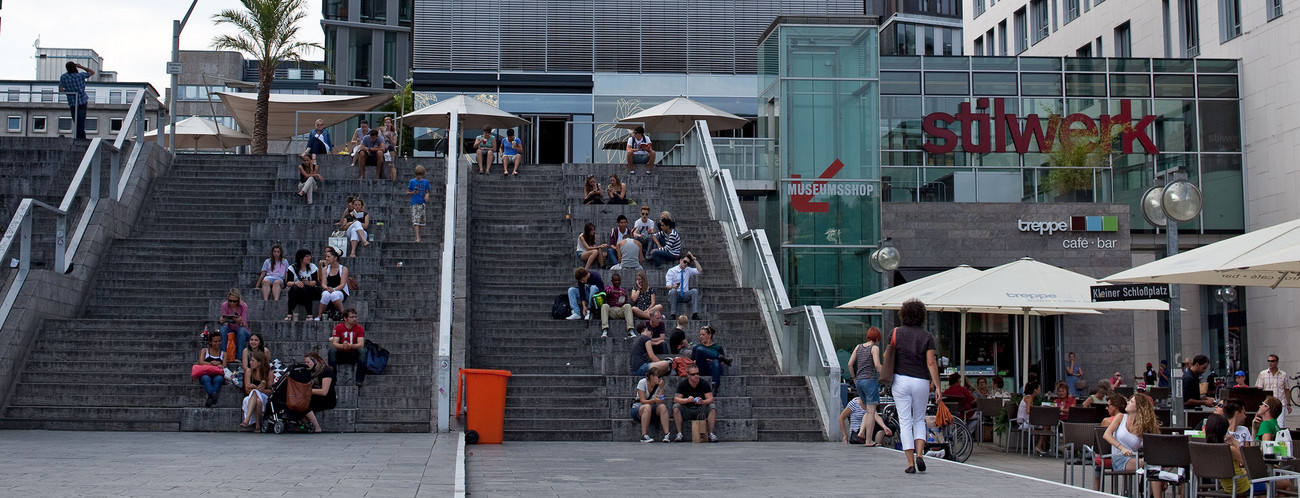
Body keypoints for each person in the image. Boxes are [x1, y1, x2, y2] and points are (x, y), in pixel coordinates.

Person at [890, 299, 942, 474]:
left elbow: (887, 355)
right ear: (922, 316)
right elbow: (931, 362)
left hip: (900, 380)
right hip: (920, 381)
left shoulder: (896, 333)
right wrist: (937, 385)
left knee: (905, 422)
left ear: (903, 314)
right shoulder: (927, 336)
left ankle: (910, 463)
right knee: (919, 419)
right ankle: (920, 454)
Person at [1204, 414, 1275, 496]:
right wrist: (1236, 443)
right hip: (1242, 485)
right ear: (1224, 431)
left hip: (1227, 486)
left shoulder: (1209, 449)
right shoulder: (1230, 449)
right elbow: (1250, 465)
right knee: (1284, 484)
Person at [1102, 393, 1160, 485]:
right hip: (1119, 458)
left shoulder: (1143, 425)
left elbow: (1151, 444)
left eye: (1131, 401)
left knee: (1155, 465)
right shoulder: (1121, 417)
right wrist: (1122, 448)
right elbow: (1106, 435)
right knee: (1153, 466)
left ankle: (1147, 491)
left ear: (1138, 407)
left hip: (1134, 457)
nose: (1128, 402)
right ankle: (1148, 491)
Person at [847, 327, 883, 444]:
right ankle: (868, 441)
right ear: (877, 338)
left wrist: (854, 378)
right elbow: (877, 364)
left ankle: (862, 433)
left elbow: (850, 364)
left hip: (859, 382)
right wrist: (885, 375)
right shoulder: (875, 348)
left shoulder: (858, 347)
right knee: (872, 411)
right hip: (870, 381)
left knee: (868, 411)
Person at [672, 364, 719, 442]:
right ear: (688, 375)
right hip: (687, 409)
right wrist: (686, 400)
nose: (696, 376)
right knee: (676, 407)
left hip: (700, 409)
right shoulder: (683, 384)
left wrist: (703, 402)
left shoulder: (704, 383)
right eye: (693, 374)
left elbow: (710, 399)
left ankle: (711, 433)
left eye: (697, 373)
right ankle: (679, 434)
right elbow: (676, 399)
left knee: (712, 407)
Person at [330, 308, 368, 388]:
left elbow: (361, 344)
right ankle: (332, 379)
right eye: (352, 317)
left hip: (353, 354)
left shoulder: (359, 328)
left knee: (363, 351)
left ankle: (359, 380)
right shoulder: (338, 327)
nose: (354, 319)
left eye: (355, 317)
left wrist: (350, 345)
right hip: (341, 353)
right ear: (345, 318)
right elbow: (334, 343)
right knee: (332, 351)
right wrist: (342, 346)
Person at [634, 364, 671, 442]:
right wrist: (653, 401)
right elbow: (642, 400)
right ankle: (644, 435)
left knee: (662, 407)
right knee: (647, 406)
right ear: (651, 377)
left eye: (661, 377)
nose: (660, 379)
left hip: (652, 408)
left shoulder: (659, 385)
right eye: (658, 376)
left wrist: (661, 388)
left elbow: (661, 400)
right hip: (639, 407)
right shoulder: (642, 382)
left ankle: (667, 434)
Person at [58, 61, 95, 139]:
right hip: (82, 101)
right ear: (75, 67)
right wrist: (81, 67)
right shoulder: (80, 76)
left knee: (76, 121)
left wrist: (68, 91)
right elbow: (92, 72)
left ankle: (80, 138)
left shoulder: (63, 77)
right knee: (81, 121)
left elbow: (60, 90)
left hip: (72, 102)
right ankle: (81, 139)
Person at [1256, 353, 1293, 428]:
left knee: (1280, 426)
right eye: (1269, 361)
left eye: (1272, 361)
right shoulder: (1262, 374)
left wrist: (1288, 404)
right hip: (1267, 405)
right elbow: (1259, 390)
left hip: (1280, 403)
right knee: (1267, 425)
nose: (1270, 363)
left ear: (1277, 362)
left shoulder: (1283, 374)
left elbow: (1286, 390)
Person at [302, 351, 336, 433]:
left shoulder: (326, 371)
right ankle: (307, 425)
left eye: (308, 362)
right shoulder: (310, 372)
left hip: (327, 399)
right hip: (314, 396)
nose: (306, 364)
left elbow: (324, 391)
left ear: (315, 361)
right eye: (305, 362)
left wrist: (306, 391)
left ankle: (317, 427)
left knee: (304, 402)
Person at [693, 325, 732, 392]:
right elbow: (693, 361)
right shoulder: (697, 347)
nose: (701, 336)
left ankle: (715, 386)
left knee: (716, 361)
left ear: (709, 335)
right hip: (701, 367)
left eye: (703, 334)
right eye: (700, 334)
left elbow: (722, 363)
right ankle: (720, 357)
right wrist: (707, 358)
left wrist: (712, 359)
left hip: (713, 368)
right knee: (700, 349)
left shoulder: (717, 347)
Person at [285, 248, 321, 321]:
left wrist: (308, 283)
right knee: (293, 289)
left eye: (309, 256)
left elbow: (315, 282)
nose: (309, 258)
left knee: (306, 288)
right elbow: (288, 282)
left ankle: (309, 314)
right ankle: (289, 314)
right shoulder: (292, 268)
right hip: (297, 291)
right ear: (301, 258)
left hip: (311, 290)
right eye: (307, 256)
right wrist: (296, 283)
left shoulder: (312, 267)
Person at [664, 252, 703, 321]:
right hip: (675, 294)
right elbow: (667, 286)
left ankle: (695, 314)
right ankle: (673, 314)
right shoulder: (672, 271)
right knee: (673, 291)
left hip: (685, 294)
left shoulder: (688, 270)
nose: (686, 264)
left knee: (694, 291)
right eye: (685, 262)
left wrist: (693, 259)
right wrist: (673, 287)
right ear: (680, 260)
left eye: (688, 263)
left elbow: (699, 270)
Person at [1016, 381, 1051, 454]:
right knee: (1046, 426)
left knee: (1046, 426)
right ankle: (1039, 446)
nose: (1040, 391)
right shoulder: (1029, 398)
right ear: (1035, 390)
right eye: (1039, 389)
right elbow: (1028, 411)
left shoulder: (1028, 397)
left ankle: (1040, 445)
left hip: (1026, 422)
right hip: (1024, 422)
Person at [315, 247, 350, 320]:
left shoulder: (343, 269)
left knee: (334, 295)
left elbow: (342, 284)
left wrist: (334, 289)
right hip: (329, 289)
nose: (326, 259)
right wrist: (327, 288)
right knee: (325, 294)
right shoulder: (325, 269)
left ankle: (343, 314)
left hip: (340, 291)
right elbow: (323, 283)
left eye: (328, 257)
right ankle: (319, 315)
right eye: (326, 257)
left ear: (335, 258)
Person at [240, 353, 272, 431]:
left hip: (264, 396)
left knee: (255, 393)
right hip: (250, 397)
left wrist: (259, 389)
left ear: (259, 363)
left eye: (253, 361)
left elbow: (271, 391)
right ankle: (258, 425)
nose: (250, 362)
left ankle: (247, 419)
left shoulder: (269, 373)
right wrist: (256, 388)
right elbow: (247, 389)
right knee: (256, 398)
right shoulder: (249, 371)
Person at [218, 288, 250, 361]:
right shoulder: (224, 305)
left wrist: (239, 321)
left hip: (242, 329)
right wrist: (222, 320)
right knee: (222, 329)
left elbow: (244, 324)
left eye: (234, 301)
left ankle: (239, 357)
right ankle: (223, 355)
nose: (232, 303)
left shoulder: (243, 306)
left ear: (238, 300)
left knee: (241, 331)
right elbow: (223, 320)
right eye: (230, 301)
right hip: (229, 327)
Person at [195, 332, 226, 407]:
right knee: (206, 378)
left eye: (219, 341)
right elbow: (201, 361)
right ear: (210, 342)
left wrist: (219, 364)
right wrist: (212, 363)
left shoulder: (224, 353)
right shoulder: (204, 350)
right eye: (215, 341)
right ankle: (213, 394)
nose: (217, 343)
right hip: (205, 373)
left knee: (218, 379)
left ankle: (211, 398)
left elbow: (224, 365)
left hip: (217, 374)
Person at [600, 273, 634, 338]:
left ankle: (630, 329)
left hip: (620, 310)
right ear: (612, 281)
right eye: (615, 280)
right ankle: (605, 330)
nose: (617, 282)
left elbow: (625, 302)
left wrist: (624, 296)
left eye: (619, 280)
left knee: (628, 306)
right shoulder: (608, 287)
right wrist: (618, 292)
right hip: (611, 310)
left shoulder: (623, 290)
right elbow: (607, 291)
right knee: (604, 306)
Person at [408, 165, 432, 243]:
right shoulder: (412, 181)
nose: (419, 176)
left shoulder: (426, 182)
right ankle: (417, 237)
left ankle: (419, 237)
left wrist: (427, 195)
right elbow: (407, 192)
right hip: (415, 203)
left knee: (421, 222)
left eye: (420, 175)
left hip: (422, 203)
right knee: (416, 220)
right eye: (418, 174)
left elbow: (427, 191)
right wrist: (412, 192)